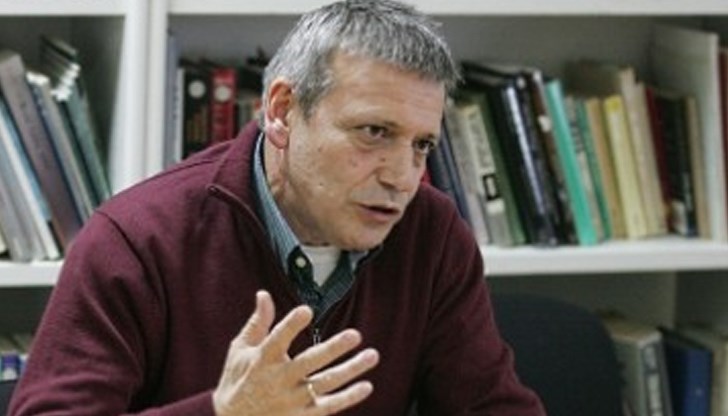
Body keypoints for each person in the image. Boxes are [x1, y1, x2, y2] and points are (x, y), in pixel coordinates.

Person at [9, 0, 546, 414]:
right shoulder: (137, 241)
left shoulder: (431, 234)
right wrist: (224, 413)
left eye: (421, 145)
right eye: (374, 132)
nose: (402, 177)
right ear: (282, 111)